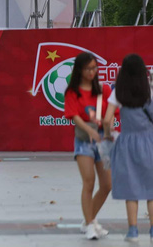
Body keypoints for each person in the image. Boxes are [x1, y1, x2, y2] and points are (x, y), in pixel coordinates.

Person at [103, 54, 153, 242]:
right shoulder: (149, 92)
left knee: (131, 189)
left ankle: (132, 231)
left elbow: (108, 120)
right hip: (149, 143)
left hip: (127, 144)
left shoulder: (118, 93)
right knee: (151, 190)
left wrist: (109, 134)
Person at [63, 52, 112, 240]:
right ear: (80, 70)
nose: (93, 72)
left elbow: (111, 114)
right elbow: (74, 116)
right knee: (89, 182)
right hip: (84, 140)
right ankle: (90, 224)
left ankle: (88, 219)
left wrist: (108, 130)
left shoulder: (103, 90)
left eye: (94, 68)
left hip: (102, 139)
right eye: (88, 68)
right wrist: (90, 131)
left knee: (107, 185)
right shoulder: (72, 92)